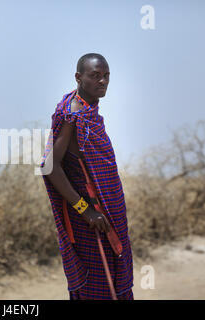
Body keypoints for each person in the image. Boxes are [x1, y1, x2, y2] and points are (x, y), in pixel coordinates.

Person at [40, 53, 134, 300]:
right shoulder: (72, 115)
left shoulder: (86, 109)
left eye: (106, 76)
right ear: (78, 78)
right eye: (95, 76)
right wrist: (85, 210)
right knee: (98, 289)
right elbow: (50, 167)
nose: (102, 81)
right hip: (90, 220)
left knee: (115, 281)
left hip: (108, 214)